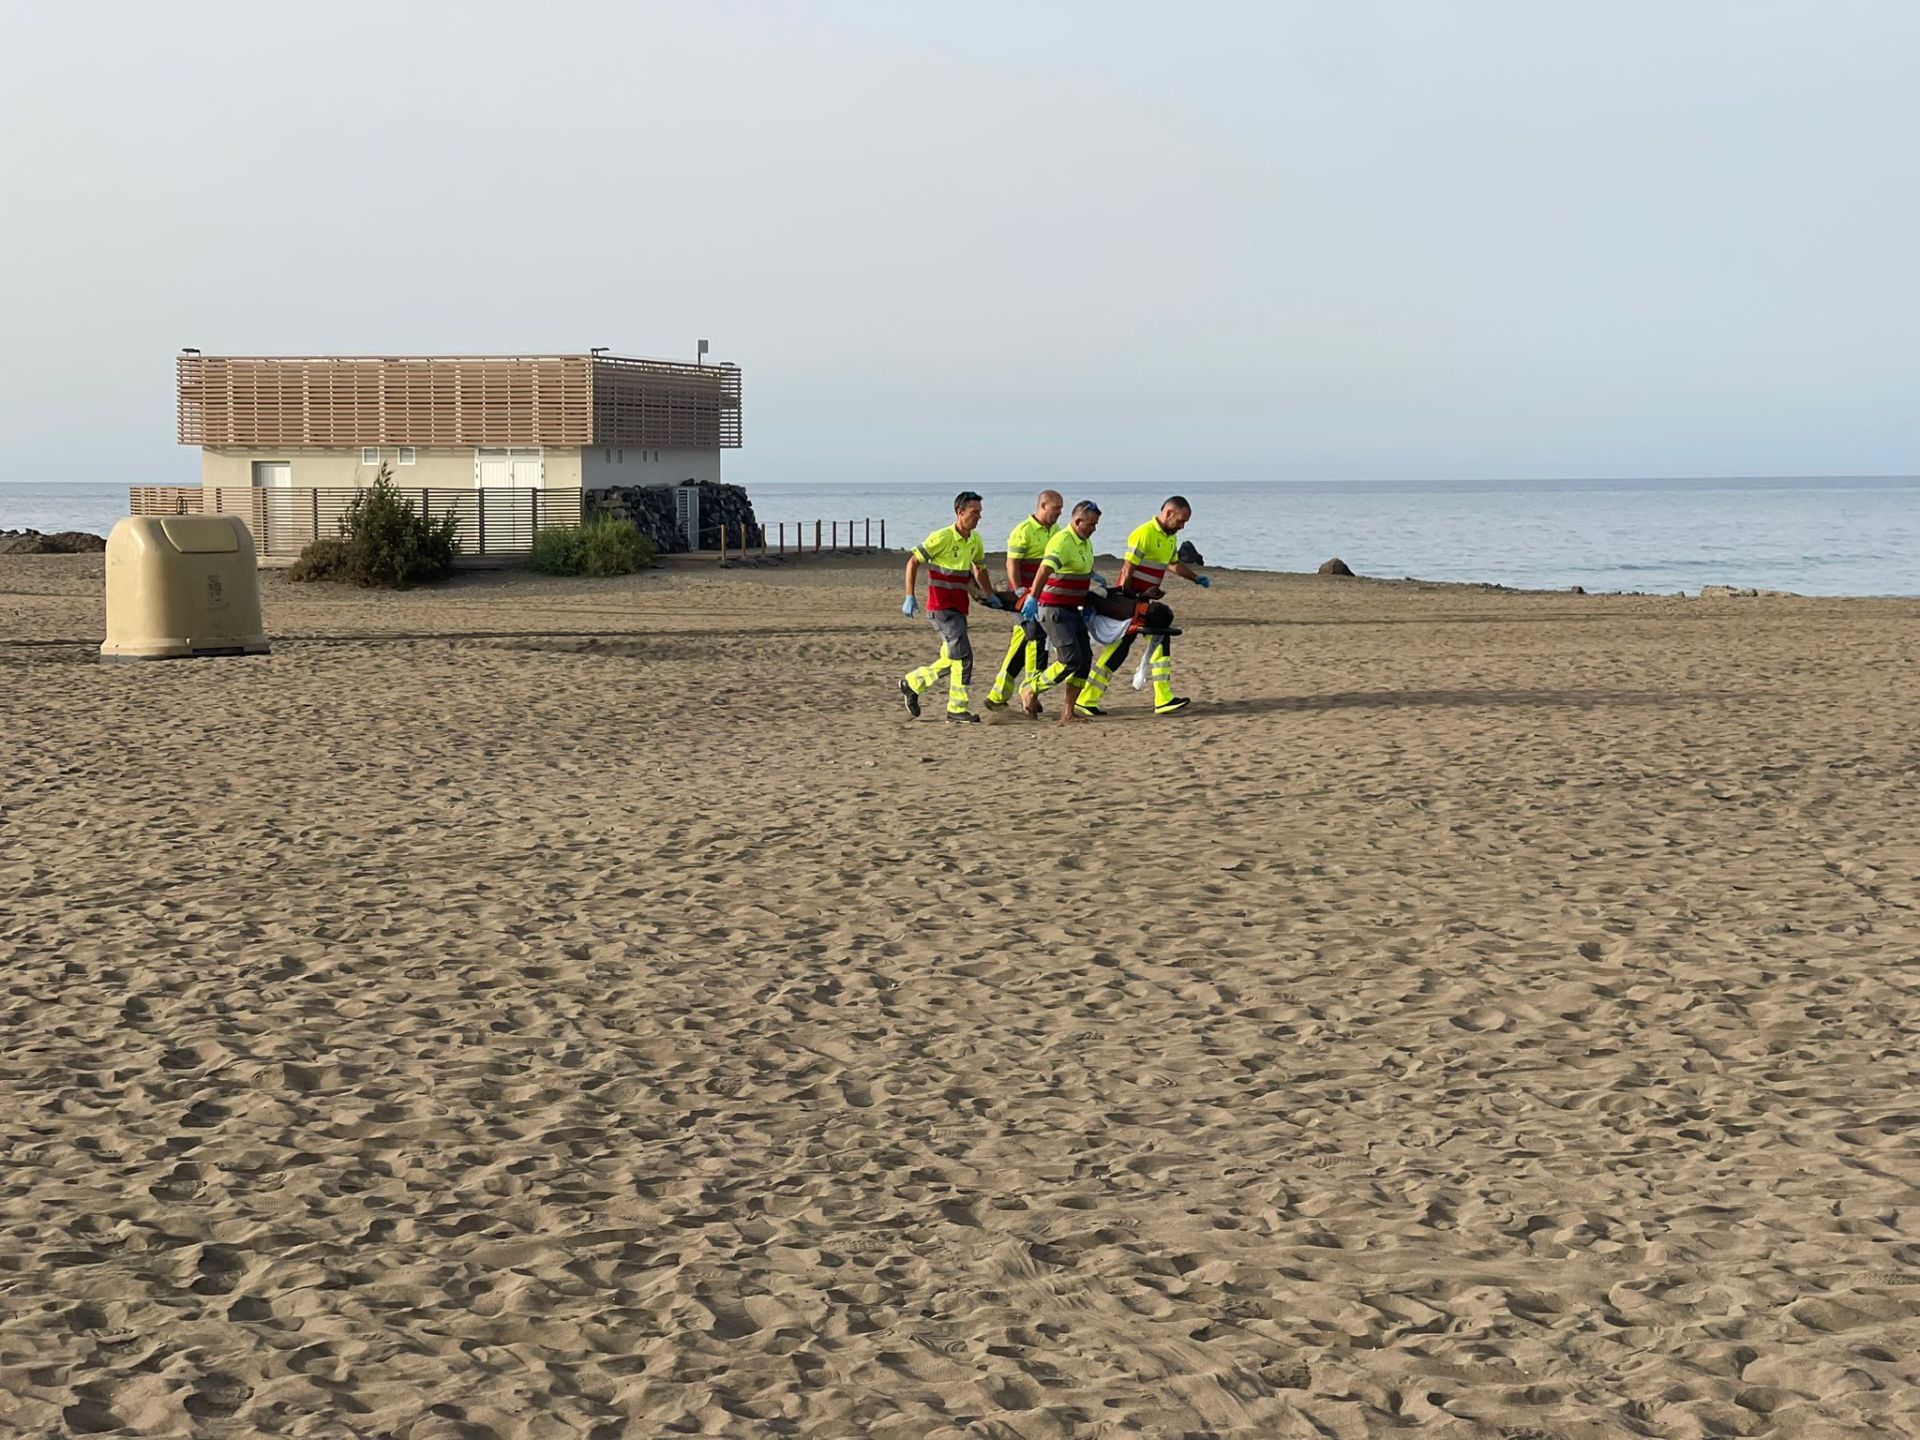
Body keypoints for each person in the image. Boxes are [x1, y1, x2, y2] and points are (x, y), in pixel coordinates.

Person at [1075, 495, 1210, 716]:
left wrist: (1195, 578)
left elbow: (1172, 564)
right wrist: (1128, 600)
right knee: (1143, 641)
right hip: (1131, 600)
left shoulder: (1169, 538)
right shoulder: (1144, 533)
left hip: (1145, 599)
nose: (1182, 526)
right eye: (1181, 521)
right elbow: (1127, 569)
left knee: (1136, 643)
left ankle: (1090, 698)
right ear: (1168, 513)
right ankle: (1159, 697)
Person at [899, 491, 1003, 723]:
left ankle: (912, 683)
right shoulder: (942, 537)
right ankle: (957, 709)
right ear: (960, 512)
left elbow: (980, 569)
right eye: (974, 512)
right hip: (940, 608)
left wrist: (989, 594)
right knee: (964, 656)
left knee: (951, 660)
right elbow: (913, 561)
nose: (978, 517)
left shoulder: (976, 540)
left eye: (980, 513)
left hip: (960, 608)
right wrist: (909, 596)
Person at [1017, 500, 1101, 725]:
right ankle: (1030, 690)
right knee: (1069, 660)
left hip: (1072, 609)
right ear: (1077, 521)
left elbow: (1079, 568)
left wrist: (1094, 578)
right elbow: (1044, 569)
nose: (1094, 528)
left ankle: (1068, 712)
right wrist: (1033, 597)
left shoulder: (1085, 543)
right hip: (1053, 609)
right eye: (1091, 524)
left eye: (1096, 525)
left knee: (1084, 661)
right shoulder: (1062, 540)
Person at [984, 490, 1063, 715]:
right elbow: (1012, 564)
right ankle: (1030, 693)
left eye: (1061, 509)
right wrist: (1020, 592)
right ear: (1043, 506)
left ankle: (997, 695)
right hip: (1024, 598)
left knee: (1020, 644)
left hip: (1044, 596)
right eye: (1056, 508)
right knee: (1035, 635)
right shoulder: (1023, 531)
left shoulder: (1057, 532)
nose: (1059, 513)